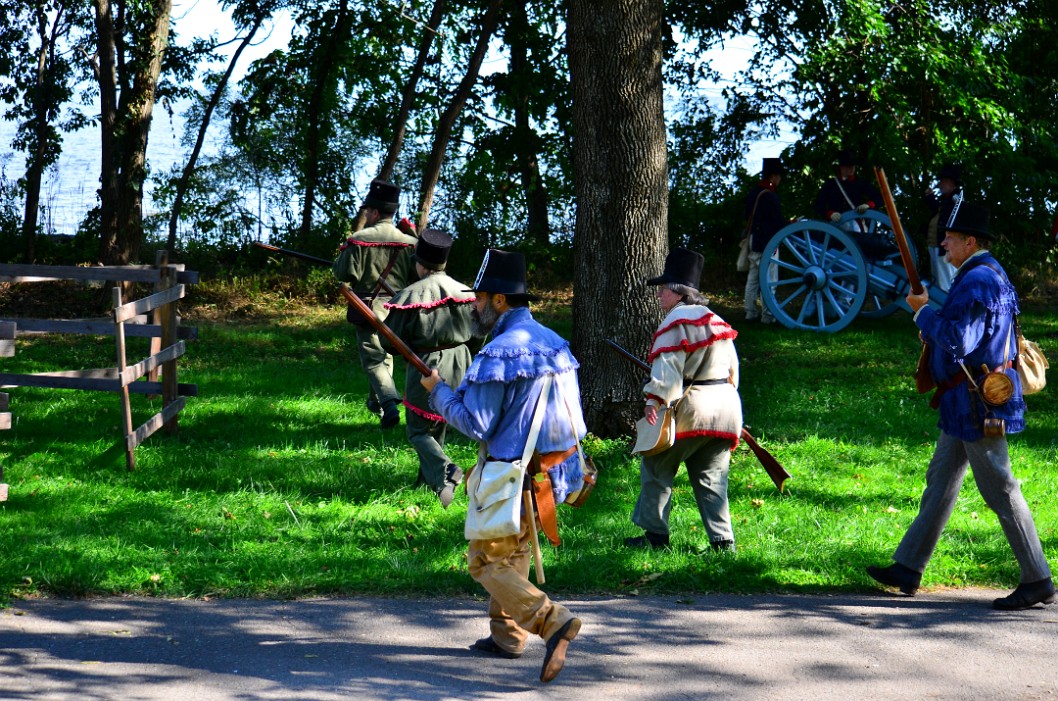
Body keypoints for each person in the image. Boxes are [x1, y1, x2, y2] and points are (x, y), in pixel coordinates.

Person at [865, 200, 1055, 610]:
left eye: (949, 239)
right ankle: (909, 567)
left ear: (970, 242)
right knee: (940, 482)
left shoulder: (976, 281)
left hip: (975, 404)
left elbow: (957, 341)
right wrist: (930, 308)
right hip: (962, 402)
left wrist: (922, 314)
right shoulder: (988, 274)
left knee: (1001, 489)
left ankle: (1038, 578)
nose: (943, 246)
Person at [421, 249, 585, 684]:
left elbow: (475, 423)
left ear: (498, 300)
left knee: (485, 561)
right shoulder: (556, 343)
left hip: (513, 475)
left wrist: (438, 392)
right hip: (551, 473)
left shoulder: (498, 353)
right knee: (511, 553)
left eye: (479, 299)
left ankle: (552, 621)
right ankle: (508, 636)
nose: (474, 307)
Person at [625, 248, 743, 552]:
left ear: (677, 292)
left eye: (663, 289)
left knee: (656, 466)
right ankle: (723, 542)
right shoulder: (717, 320)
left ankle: (655, 537)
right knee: (712, 479)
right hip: (727, 410)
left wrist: (654, 400)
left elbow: (668, 368)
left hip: (693, 410)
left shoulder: (676, 320)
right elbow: (733, 372)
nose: (659, 295)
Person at [380, 229, 477, 507]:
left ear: (420, 263)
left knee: (419, 430)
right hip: (460, 362)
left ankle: (446, 471)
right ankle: (430, 483)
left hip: (428, 365)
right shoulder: (465, 292)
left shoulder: (410, 295)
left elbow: (391, 342)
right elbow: (478, 335)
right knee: (438, 422)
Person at [333, 179, 418, 429]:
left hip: (367, 308)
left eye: (367, 211)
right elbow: (418, 275)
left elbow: (343, 273)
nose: (366, 214)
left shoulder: (359, 239)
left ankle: (389, 404)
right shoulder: (410, 243)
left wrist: (344, 256)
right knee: (385, 357)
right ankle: (377, 402)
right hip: (399, 311)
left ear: (376, 212)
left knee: (372, 359)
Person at [743, 157, 785, 323]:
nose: (780, 180)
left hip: (754, 239)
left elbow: (747, 215)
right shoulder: (771, 196)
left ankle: (750, 312)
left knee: (753, 279)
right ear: (773, 177)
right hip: (768, 242)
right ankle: (768, 316)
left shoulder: (754, 193)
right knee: (770, 280)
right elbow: (777, 223)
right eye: (779, 176)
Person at [814, 149, 882, 225]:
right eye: (849, 166)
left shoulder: (860, 183)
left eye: (853, 166)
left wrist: (868, 205)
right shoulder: (830, 184)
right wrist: (830, 214)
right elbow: (819, 205)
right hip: (835, 225)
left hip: (856, 224)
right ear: (841, 167)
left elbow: (879, 197)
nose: (852, 168)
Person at [924, 163, 962, 292]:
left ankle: (949, 309)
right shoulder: (946, 200)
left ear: (952, 183)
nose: (940, 184)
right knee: (938, 282)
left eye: (943, 181)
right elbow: (938, 212)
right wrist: (930, 198)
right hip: (936, 246)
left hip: (946, 247)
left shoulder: (956, 199)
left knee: (946, 284)